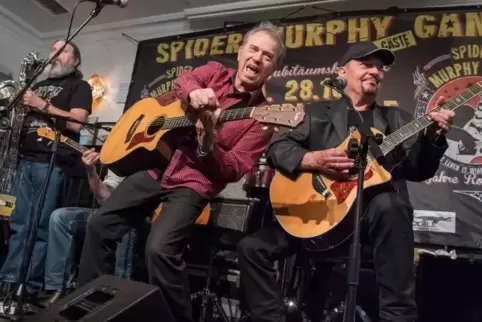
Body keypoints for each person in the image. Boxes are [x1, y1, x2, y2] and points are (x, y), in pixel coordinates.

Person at [76, 21, 285, 322]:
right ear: (241, 52)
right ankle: (91, 311)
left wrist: (209, 144)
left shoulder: (260, 118)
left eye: (267, 56)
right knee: (99, 225)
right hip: (157, 168)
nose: (257, 58)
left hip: (194, 183)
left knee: (159, 250)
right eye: (253, 49)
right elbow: (185, 79)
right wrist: (195, 93)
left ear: (273, 67)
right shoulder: (215, 72)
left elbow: (235, 169)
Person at [237, 42, 455, 322]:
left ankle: (397, 317)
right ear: (343, 71)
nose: (375, 71)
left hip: (367, 226)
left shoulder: (396, 119)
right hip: (316, 216)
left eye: (380, 67)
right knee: (251, 248)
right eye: (366, 64)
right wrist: (313, 160)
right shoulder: (316, 113)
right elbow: (279, 149)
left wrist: (433, 137)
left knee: (390, 204)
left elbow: (418, 170)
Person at [0, 40, 92, 296]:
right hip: (22, 160)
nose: (55, 55)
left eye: (63, 52)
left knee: (39, 227)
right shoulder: (37, 85)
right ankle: (7, 282)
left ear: (75, 61)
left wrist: (41, 104)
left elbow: (77, 123)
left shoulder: (79, 85)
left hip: (51, 162)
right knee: (19, 225)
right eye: (53, 50)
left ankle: (26, 288)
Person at [41, 149, 137, 306]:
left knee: (122, 226)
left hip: (141, 214)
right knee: (60, 218)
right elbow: (106, 197)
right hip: (112, 212)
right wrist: (91, 171)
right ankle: (59, 289)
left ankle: (119, 300)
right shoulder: (122, 152)